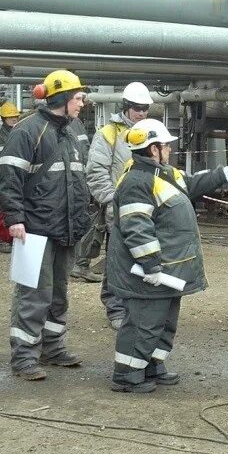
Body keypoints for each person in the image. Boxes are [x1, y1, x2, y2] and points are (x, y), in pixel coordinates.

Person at [107, 119, 228, 393]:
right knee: (143, 323)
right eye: (165, 146)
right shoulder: (138, 181)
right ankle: (127, 376)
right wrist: (150, 264)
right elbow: (137, 227)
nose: (170, 149)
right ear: (153, 149)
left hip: (169, 269)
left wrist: (221, 175)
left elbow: (190, 183)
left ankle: (152, 365)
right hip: (150, 271)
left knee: (164, 322)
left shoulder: (163, 174)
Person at [0, 70, 93, 381]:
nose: (82, 103)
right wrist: (15, 220)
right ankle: (24, 357)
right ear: (62, 99)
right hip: (34, 230)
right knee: (33, 294)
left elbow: (80, 176)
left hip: (67, 227)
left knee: (59, 293)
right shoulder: (27, 131)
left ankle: (53, 348)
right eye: (78, 98)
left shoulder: (75, 128)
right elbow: (8, 180)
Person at [75, 81, 154, 331]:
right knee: (117, 260)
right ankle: (116, 308)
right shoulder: (108, 133)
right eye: (137, 108)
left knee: (144, 256)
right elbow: (96, 171)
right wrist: (111, 201)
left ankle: (136, 306)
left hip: (147, 209)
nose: (142, 113)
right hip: (118, 210)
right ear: (126, 107)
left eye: (145, 108)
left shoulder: (151, 132)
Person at [0, 101, 21, 254]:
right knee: (5, 208)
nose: (14, 119)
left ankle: (12, 238)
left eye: (15, 116)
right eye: (10, 117)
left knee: (18, 207)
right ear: (3, 118)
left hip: (20, 175)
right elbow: (2, 157)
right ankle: (1, 240)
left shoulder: (21, 132)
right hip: (5, 176)